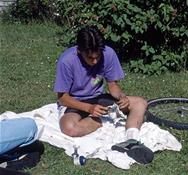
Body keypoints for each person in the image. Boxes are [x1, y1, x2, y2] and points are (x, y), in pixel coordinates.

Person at [54, 26, 153, 164]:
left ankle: (131, 140)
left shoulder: (109, 54)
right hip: (76, 101)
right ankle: (104, 121)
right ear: (79, 51)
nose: (95, 61)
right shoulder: (66, 61)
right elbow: (63, 98)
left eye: (98, 56)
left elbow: (112, 85)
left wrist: (121, 97)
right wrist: (89, 109)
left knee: (140, 103)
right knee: (69, 127)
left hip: (99, 98)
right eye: (90, 57)